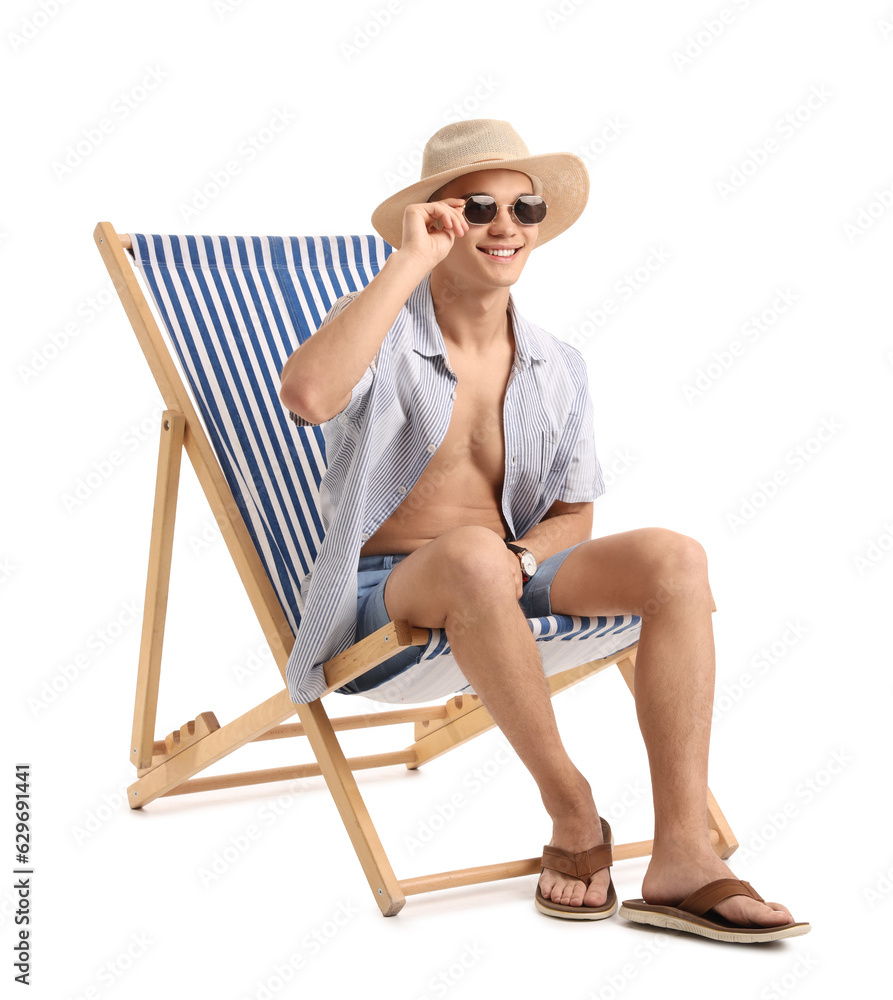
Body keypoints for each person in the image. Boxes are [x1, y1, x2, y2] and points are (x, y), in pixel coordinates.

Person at [279, 119, 809, 942]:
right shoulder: (379, 331)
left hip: (500, 577)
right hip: (388, 601)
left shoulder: (557, 363)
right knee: (467, 557)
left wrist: (519, 555)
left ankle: (682, 855)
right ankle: (572, 810)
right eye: (477, 206)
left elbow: (572, 514)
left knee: (675, 558)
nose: (505, 225)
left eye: (524, 209)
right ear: (434, 217)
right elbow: (308, 396)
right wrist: (410, 259)